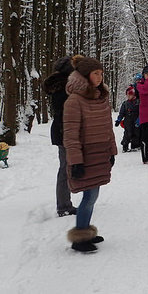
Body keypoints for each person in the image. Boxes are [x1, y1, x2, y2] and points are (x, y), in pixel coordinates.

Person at [63, 55, 117, 252]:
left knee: (93, 195)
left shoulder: (101, 97)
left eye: (101, 73)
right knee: (89, 196)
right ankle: (80, 237)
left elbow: (108, 127)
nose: (100, 77)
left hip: (99, 153)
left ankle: (85, 230)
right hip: (85, 156)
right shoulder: (74, 101)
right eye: (96, 73)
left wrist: (111, 151)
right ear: (85, 75)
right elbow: (70, 134)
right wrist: (75, 161)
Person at [43, 56, 77, 217]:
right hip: (64, 130)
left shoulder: (62, 85)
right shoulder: (64, 87)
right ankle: (63, 205)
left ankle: (65, 202)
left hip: (64, 129)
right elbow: (65, 111)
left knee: (67, 166)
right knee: (65, 167)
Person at [115, 87, 140, 152]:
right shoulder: (125, 103)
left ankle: (134, 146)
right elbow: (121, 113)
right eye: (127, 95)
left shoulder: (138, 102)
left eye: (130, 95)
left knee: (136, 133)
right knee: (127, 134)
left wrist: (139, 120)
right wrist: (119, 120)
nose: (128, 96)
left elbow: (141, 112)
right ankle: (125, 146)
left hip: (136, 120)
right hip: (128, 121)